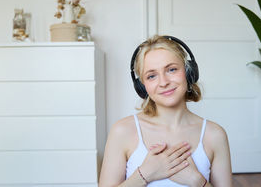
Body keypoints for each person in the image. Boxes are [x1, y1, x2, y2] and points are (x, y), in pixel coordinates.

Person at [99, 35, 232, 187]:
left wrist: (197, 181)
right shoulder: (122, 131)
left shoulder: (214, 134)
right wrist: (145, 174)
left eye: (171, 69)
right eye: (152, 76)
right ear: (142, 87)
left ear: (189, 73)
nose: (163, 82)